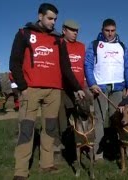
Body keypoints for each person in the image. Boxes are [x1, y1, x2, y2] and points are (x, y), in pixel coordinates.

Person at [9, 3, 85, 179]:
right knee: (26, 129)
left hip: (54, 91)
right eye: (50, 18)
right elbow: (14, 61)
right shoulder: (24, 33)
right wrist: (23, 87)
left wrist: (77, 88)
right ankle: (20, 171)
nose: (53, 22)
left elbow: (66, 68)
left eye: (55, 19)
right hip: (31, 90)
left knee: (50, 128)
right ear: (40, 16)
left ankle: (47, 163)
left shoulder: (58, 40)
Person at [84, 18, 128, 160]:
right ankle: (97, 153)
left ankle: (116, 149)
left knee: (117, 118)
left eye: (113, 31)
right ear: (102, 30)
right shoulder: (94, 45)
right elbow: (88, 65)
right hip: (99, 88)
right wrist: (92, 83)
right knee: (99, 119)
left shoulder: (122, 46)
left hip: (118, 88)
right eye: (107, 30)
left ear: (116, 30)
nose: (110, 33)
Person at [53, 20, 86, 153]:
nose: (75, 33)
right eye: (72, 30)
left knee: (78, 115)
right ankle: (58, 145)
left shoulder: (81, 46)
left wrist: (81, 86)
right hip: (61, 87)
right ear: (64, 30)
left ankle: (78, 143)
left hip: (78, 87)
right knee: (61, 118)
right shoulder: (58, 44)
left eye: (77, 31)